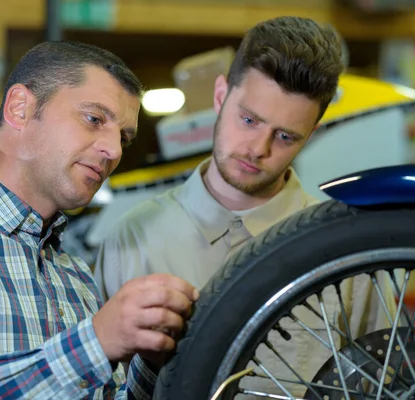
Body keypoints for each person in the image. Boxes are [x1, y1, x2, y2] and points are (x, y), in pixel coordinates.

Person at [94, 16, 394, 398]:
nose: (258, 148)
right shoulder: (131, 240)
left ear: (310, 136)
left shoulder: (347, 251)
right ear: (220, 96)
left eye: (285, 136)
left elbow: (376, 385)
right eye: (249, 119)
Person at [0, 40, 199, 399]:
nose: (114, 151)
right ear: (20, 108)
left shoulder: (74, 276)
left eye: (123, 138)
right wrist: (94, 345)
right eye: (94, 119)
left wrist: (151, 358)